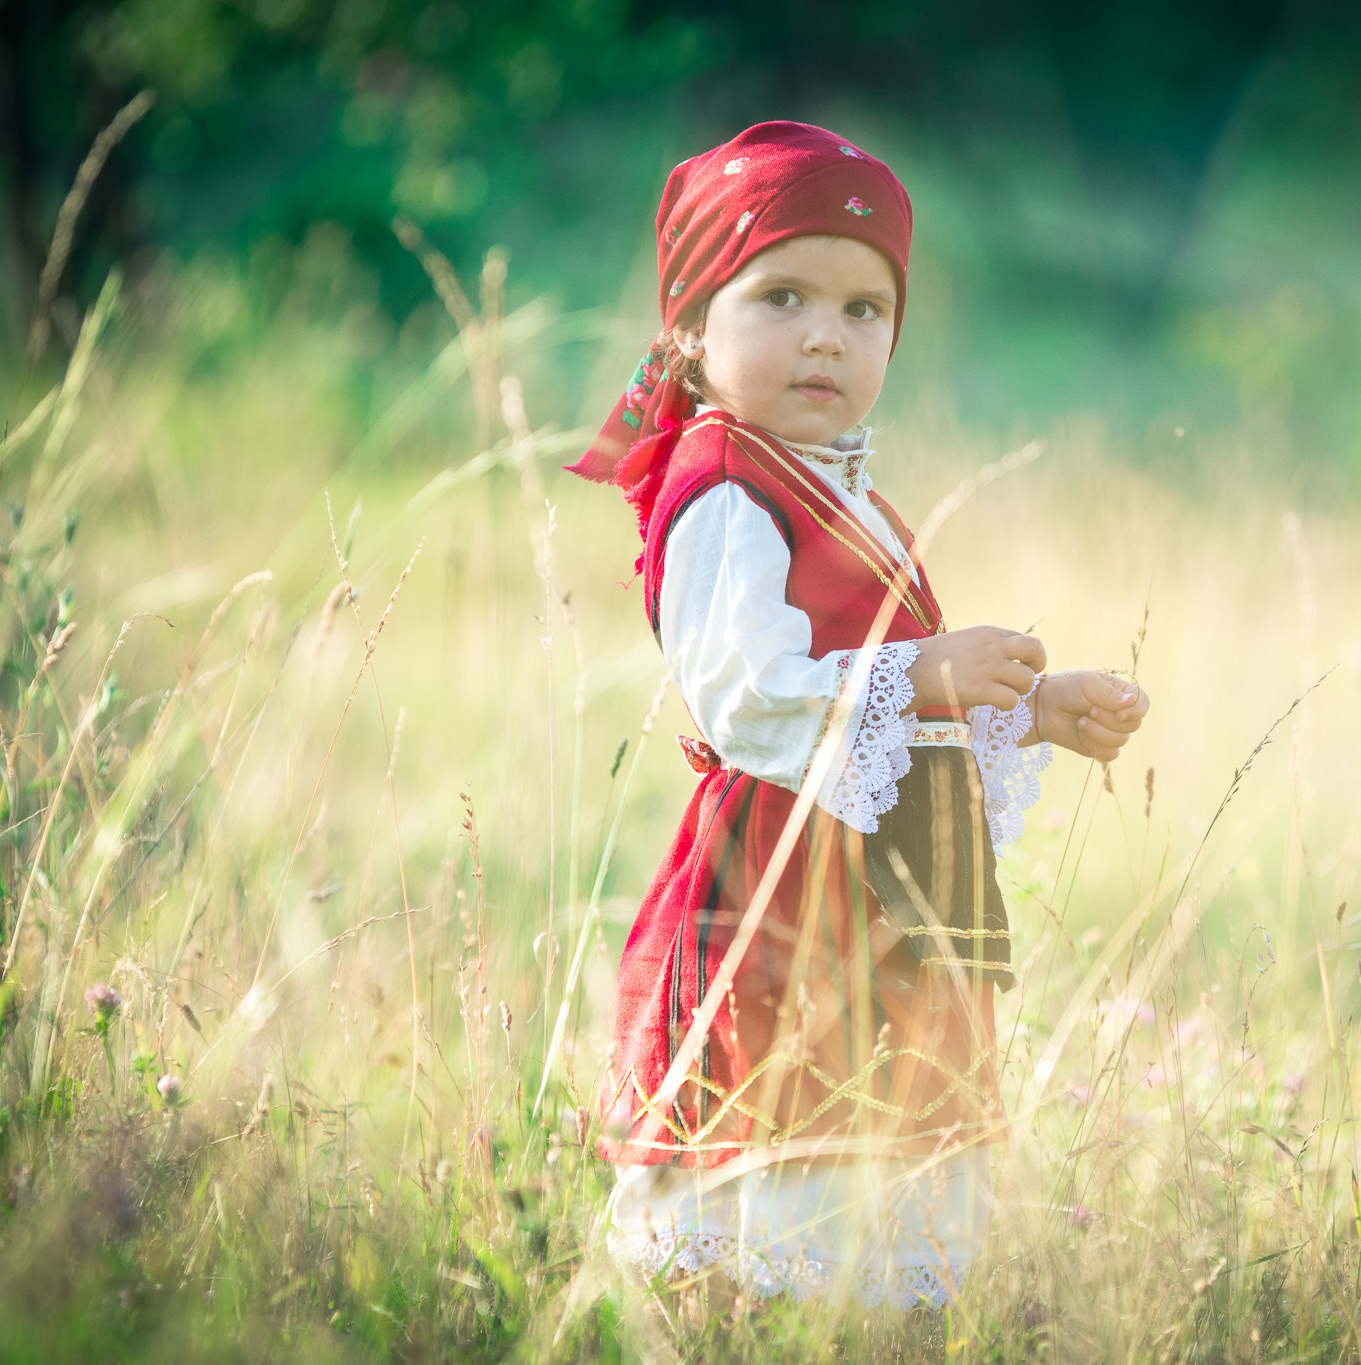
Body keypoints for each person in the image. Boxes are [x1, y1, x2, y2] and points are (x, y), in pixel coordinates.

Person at [568, 121, 1151, 1320]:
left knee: (889, 1152)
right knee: (783, 1151)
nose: (825, 334)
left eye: (862, 309)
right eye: (779, 295)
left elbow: (878, 689)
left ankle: (860, 1324)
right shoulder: (724, 488)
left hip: (880, 899)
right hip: (782, 890)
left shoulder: (832, 482)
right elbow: (745, 693)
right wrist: (925, 672)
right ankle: (755, 1318)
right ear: (689, 324)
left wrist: (1025, 708)